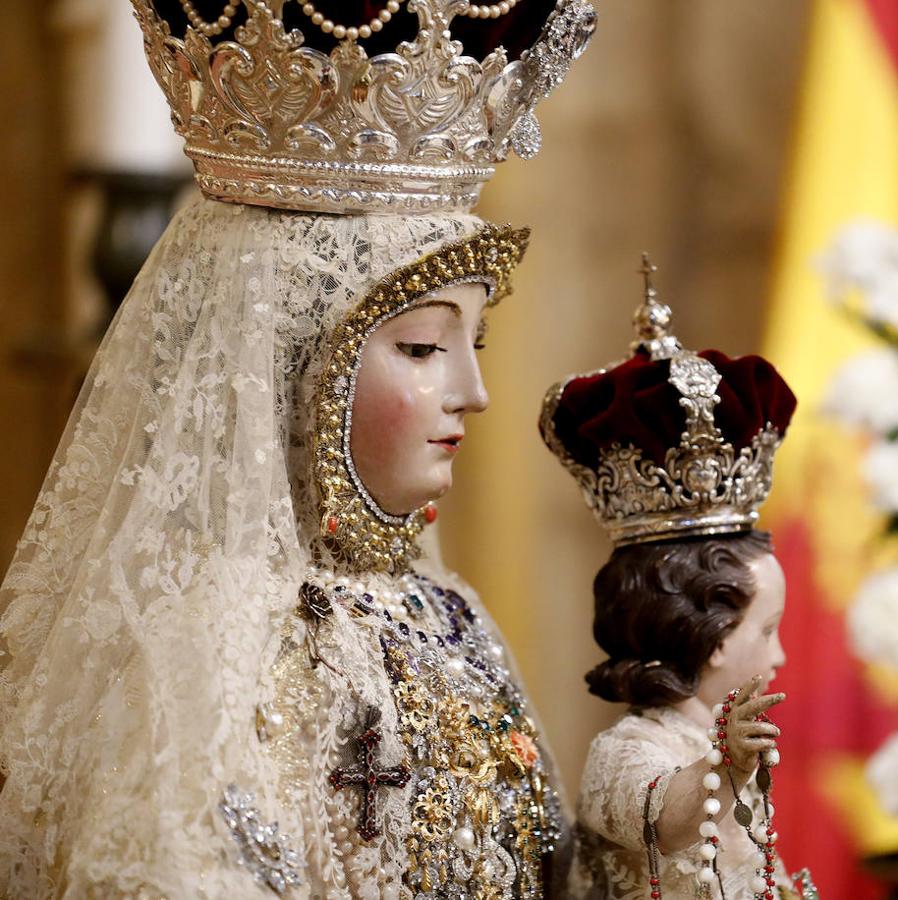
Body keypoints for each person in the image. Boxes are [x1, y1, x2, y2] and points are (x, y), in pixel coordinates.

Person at [0, 1, 594, 896]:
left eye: (479, 346)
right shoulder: (208, 659)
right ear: (291, 367)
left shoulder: (450, 616)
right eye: (426, 348)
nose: (472, 392)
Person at [540, 260, 818, 899]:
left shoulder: (708, 734)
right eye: (766, 629)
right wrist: (724, 763)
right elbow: (666, 816)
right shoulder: (627, 750)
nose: (778, 654)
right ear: (714, 634)